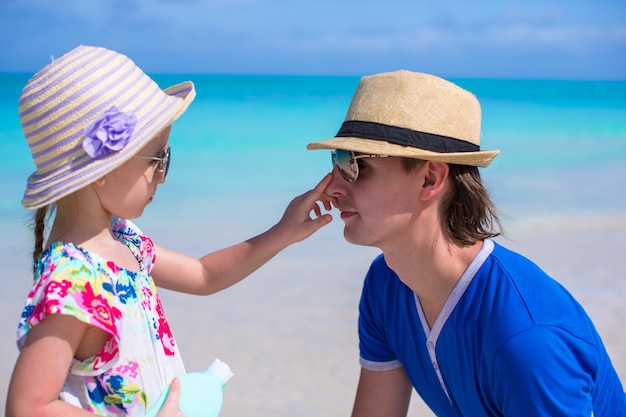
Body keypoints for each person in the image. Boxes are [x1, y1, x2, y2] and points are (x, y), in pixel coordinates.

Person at [5, 45, 333, 417]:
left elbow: (203, 275)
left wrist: (283, 232)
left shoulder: (124, 238)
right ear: (103, 169)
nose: (163, 174)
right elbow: (28, 406)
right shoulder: (73, 278)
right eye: (158, 158)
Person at [307, 70, 626, 416]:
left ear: (430, 178)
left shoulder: (526, 339)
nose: (332, 186)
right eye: (336, 159)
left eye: (355, 165)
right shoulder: (386, 285)